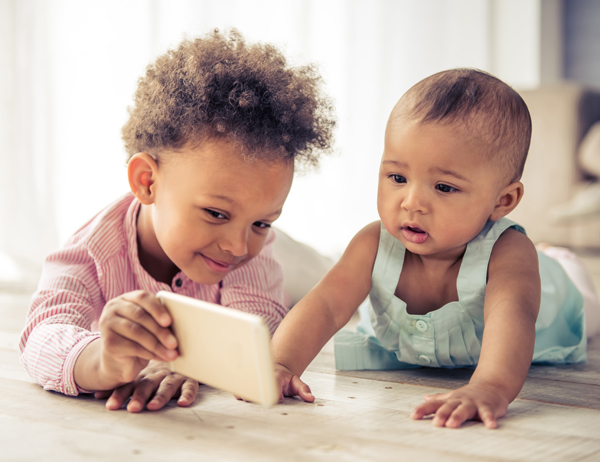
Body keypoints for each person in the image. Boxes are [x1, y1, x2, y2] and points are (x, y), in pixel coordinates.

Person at [19, 29, 335, 413]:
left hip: (294, 265)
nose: (238, 247)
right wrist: (102, 360)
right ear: (147, 182)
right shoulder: (88, 252)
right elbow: (42, 335)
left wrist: (189, 363)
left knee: (324, 277)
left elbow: (260, 320)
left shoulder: (254, 249)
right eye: (216, 213)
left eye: (262, 221)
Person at [271, 68, 600, 429]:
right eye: (398, 178)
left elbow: (514, 316)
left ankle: (559, 259)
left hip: (553, 298)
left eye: (443, 187)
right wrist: (280, 364)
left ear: (502, 201)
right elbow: (326, 305)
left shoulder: (508, 251)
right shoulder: (373, 244)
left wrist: (490, 386)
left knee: (587, 306)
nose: (411, 202)